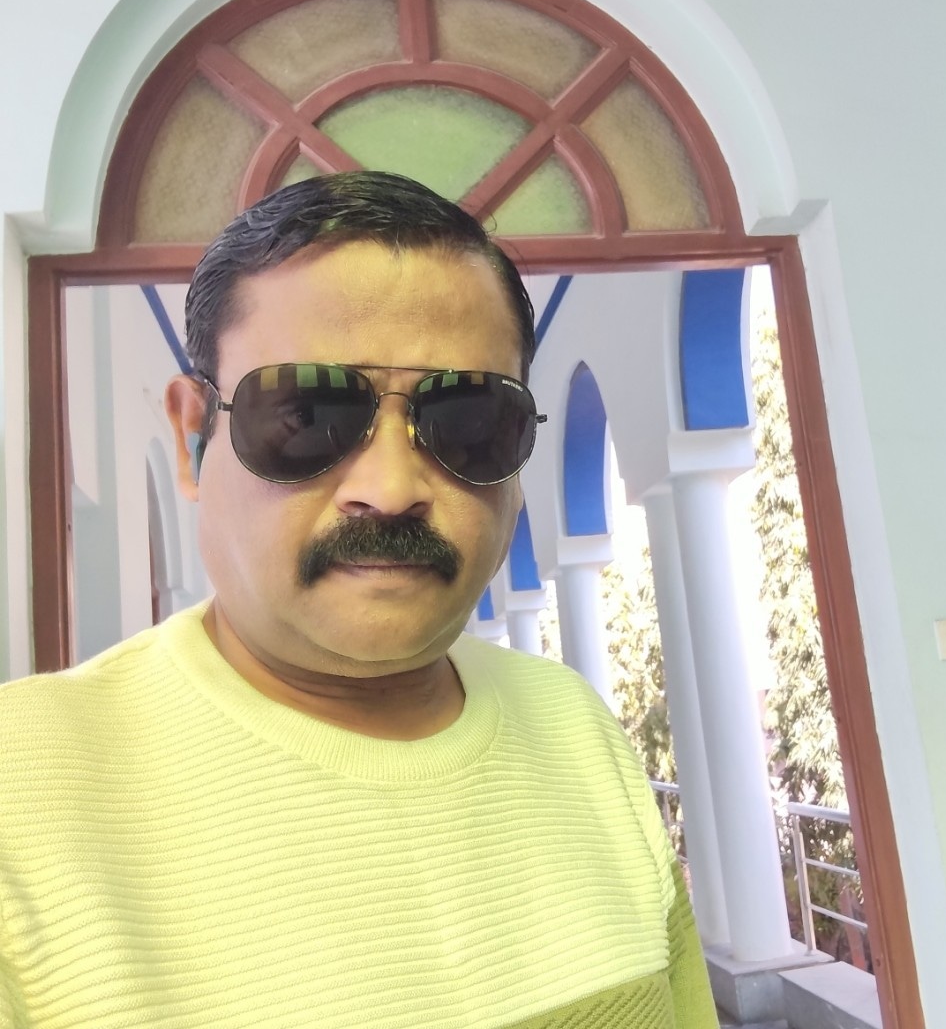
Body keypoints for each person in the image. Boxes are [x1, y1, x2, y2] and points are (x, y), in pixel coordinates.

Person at [0, 172, 718, 1028]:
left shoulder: (578, 728)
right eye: (306, 413)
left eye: (468, 423)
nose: (390, 488)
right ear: (194, 437)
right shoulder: (23, 790)